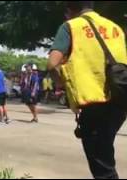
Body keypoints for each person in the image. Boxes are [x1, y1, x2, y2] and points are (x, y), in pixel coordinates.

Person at [48, 1, 127, 178]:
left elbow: (52, 65)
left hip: (94, 104)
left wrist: (67, 86)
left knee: (103, 168)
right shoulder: (115, 28)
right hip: (120, 101)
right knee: (105, 154)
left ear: (69, 10)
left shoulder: (71, 26)